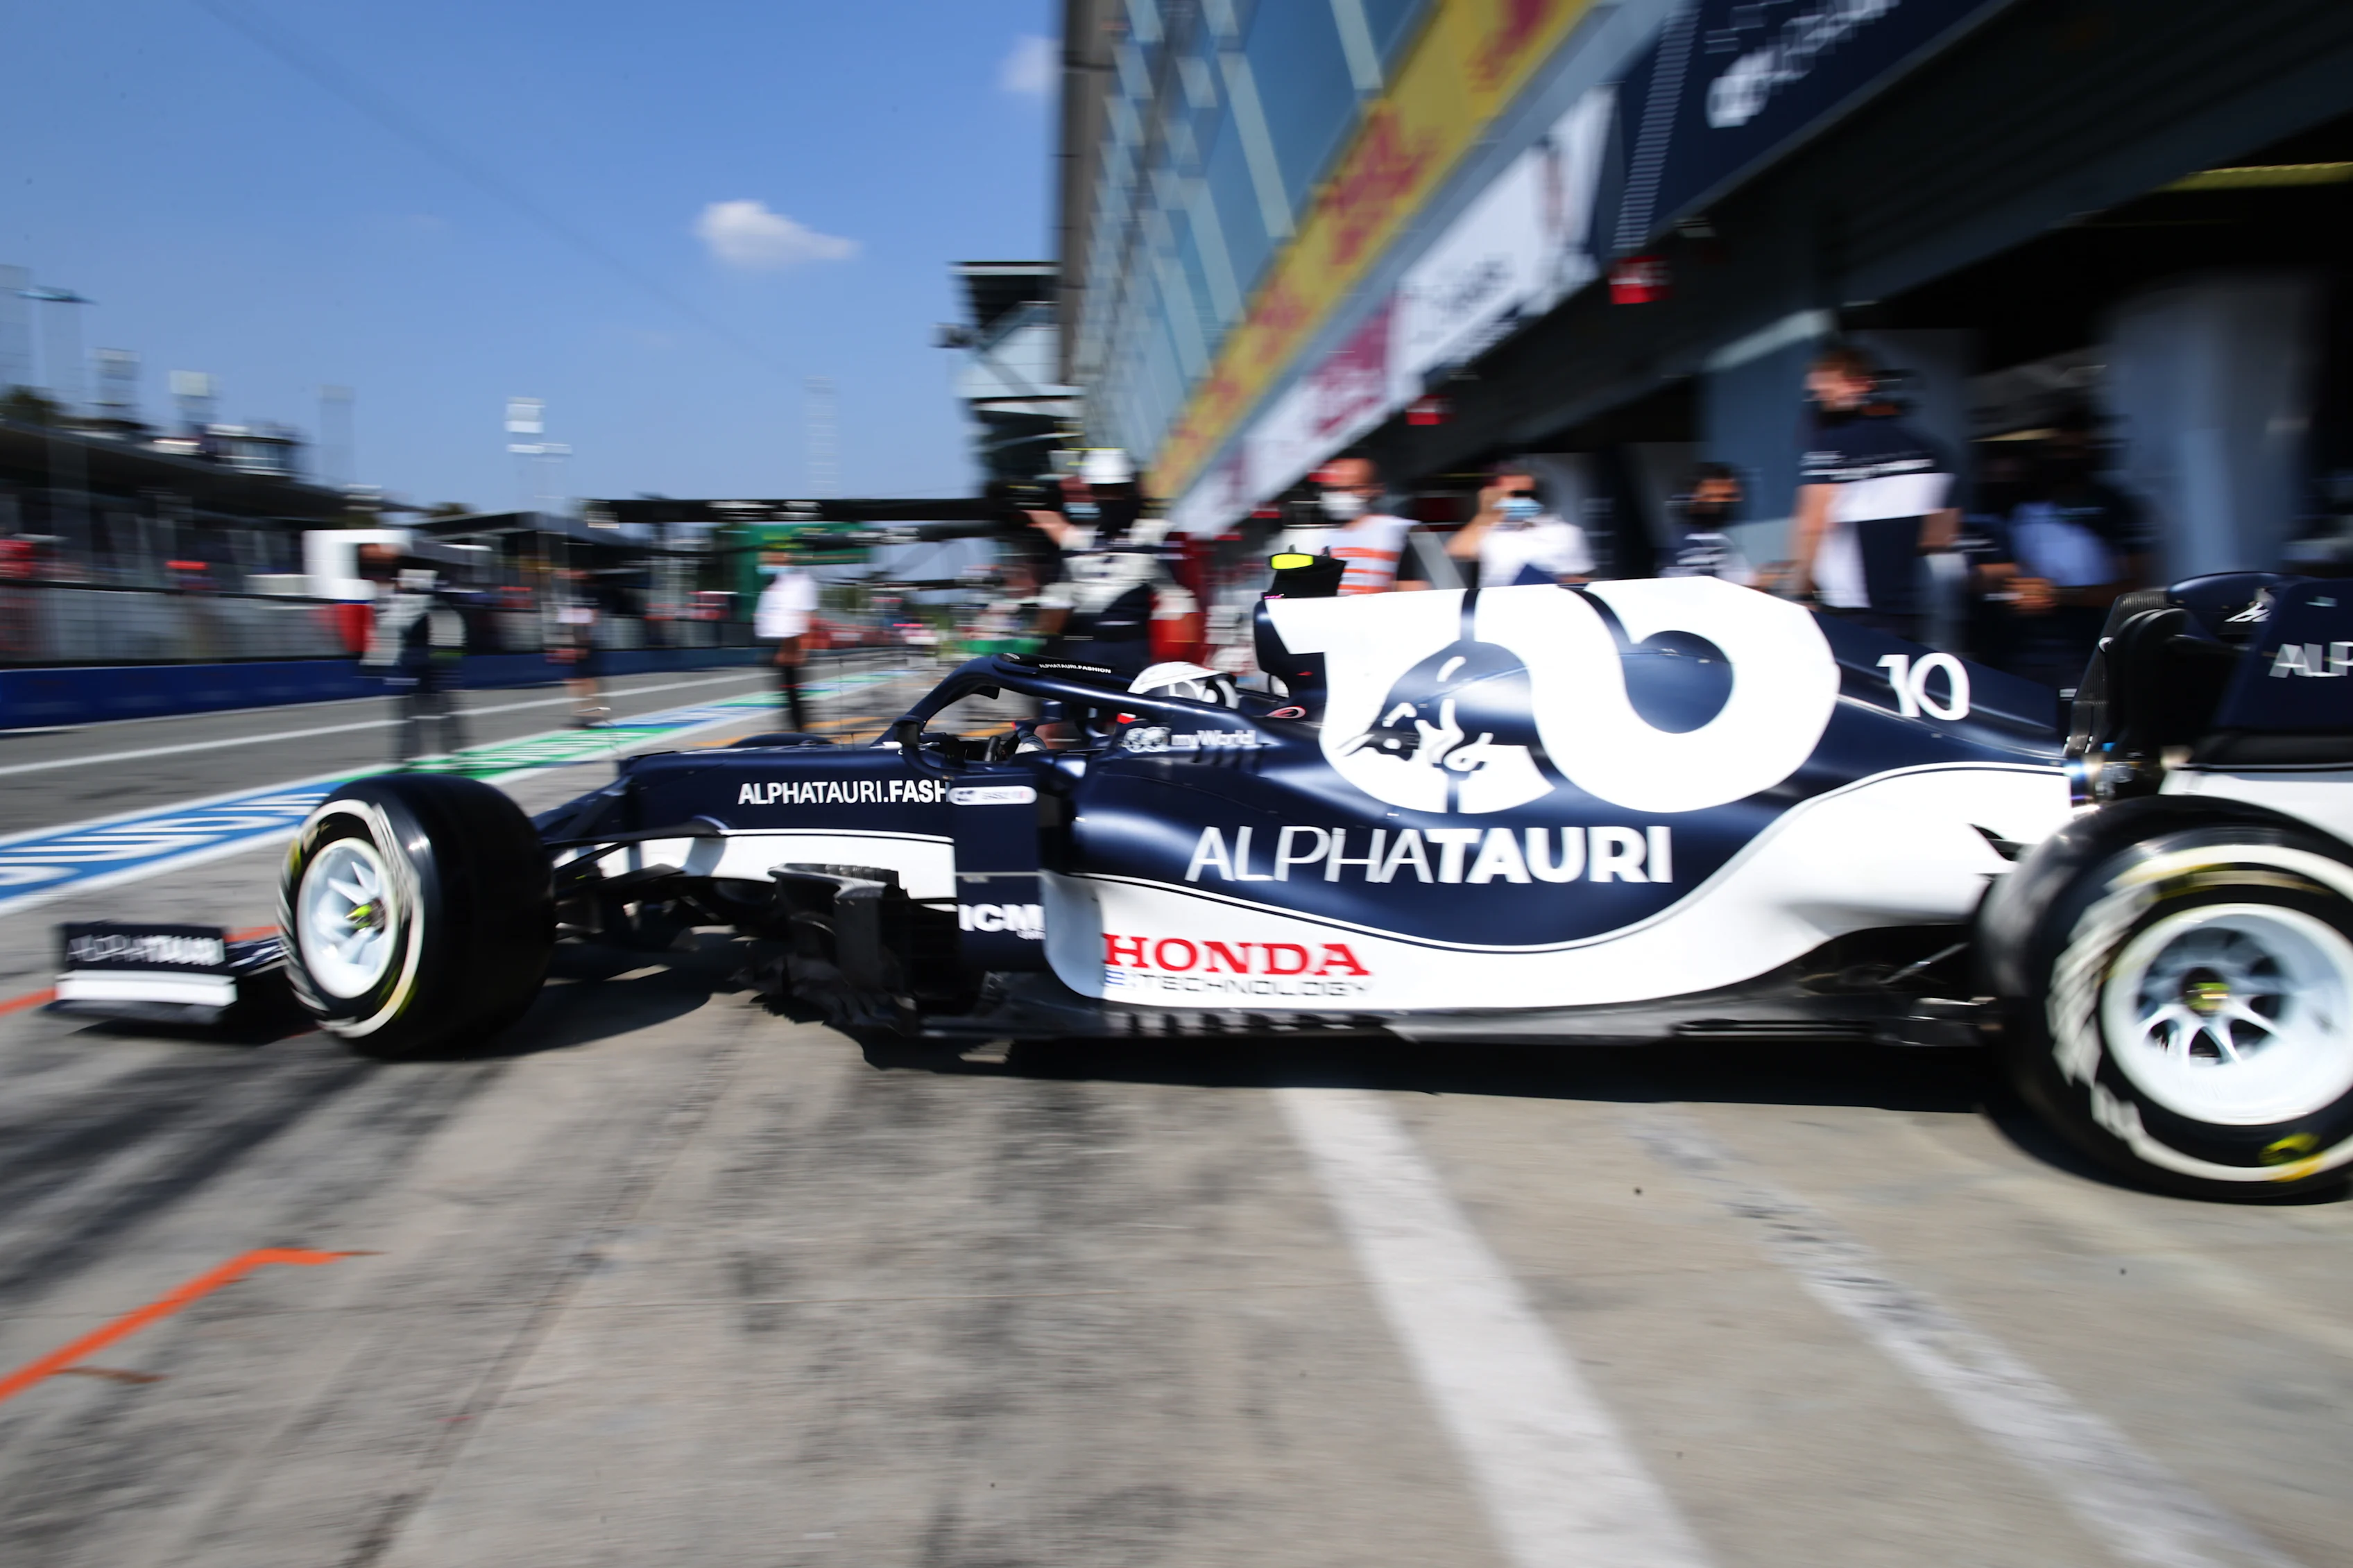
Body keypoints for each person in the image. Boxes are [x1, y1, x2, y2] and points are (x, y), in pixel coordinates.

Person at [1788, 344, 1959, 641]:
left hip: (1848, 608)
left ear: (1861, 383)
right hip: (1909, 608)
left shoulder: (1830, 447)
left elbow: (1813, 525)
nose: (1817, 398)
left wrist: (1800, 588)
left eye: (1824, 390)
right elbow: (1940, 537)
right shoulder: (1933, 450)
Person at [1996, 411, 2153, 691]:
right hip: (2020, 645)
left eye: (2076, 450)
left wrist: (2057, 595)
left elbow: (2138, 586)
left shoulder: (2113, 505)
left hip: (2088, 645)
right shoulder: (2020, 503)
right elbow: (1997, 570)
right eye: (2059, 450)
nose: (2066, 459)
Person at [1026, 447, 1199, 678]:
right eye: (1102, 491)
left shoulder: (1156, 536)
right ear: (1092, 493)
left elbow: (1179, 601)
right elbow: (1057, 603)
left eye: (1116, 491)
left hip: (1135, 648)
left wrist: (1176, 660)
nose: (1110, 499)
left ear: (1130, 490)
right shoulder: (1075, 543)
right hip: (1086, 649)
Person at [359, 545, 468, 764]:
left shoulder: (411, 591)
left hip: (418, 655)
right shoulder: (431, 591)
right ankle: (451, 751)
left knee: (412, 708)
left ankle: (410, 753)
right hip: (430, 656)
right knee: (436, 707)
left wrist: (373, 660)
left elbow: (394, 624)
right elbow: (452, 622)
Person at [1277, 456, 1428, 594]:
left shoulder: (1396, 532)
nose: (1337, 495)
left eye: (1347, 488)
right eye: (1330, 489)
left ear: (1373, 490)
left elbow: (1413, 592)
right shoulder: (1317, 539)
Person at [1445, 462, 1595, 588]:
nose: (1511, 499)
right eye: (1504, 494)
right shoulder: (1490, 532)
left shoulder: (1565, 533)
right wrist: (1487, 515)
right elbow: (1457, 550)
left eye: (1519, 493)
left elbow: (1581, 581)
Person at [754, 547, 819, 732]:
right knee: (785, 693)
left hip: (791, 646)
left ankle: (800, 732)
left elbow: (804, 618)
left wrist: (797, 650)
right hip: (775, 644)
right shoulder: (773, 583)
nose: (768, 564)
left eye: (773, 560)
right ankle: (794, 728)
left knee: (792, 693)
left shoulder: (800, 582)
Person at [1662, 463, 1754, 584]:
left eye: (1730, 496)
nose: (1724, 504)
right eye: (1712, 497)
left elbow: (1744, 582)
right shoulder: (1689, 542)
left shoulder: (1719, 539)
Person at [551, 569, 607, 727]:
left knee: (584, 680)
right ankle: (586, 714)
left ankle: (591, 714)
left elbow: (592, 618)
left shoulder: (589, 592)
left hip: (583, 640)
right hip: (570, 639)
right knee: (574, 680)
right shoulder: (564, 591)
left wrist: (582, 641)